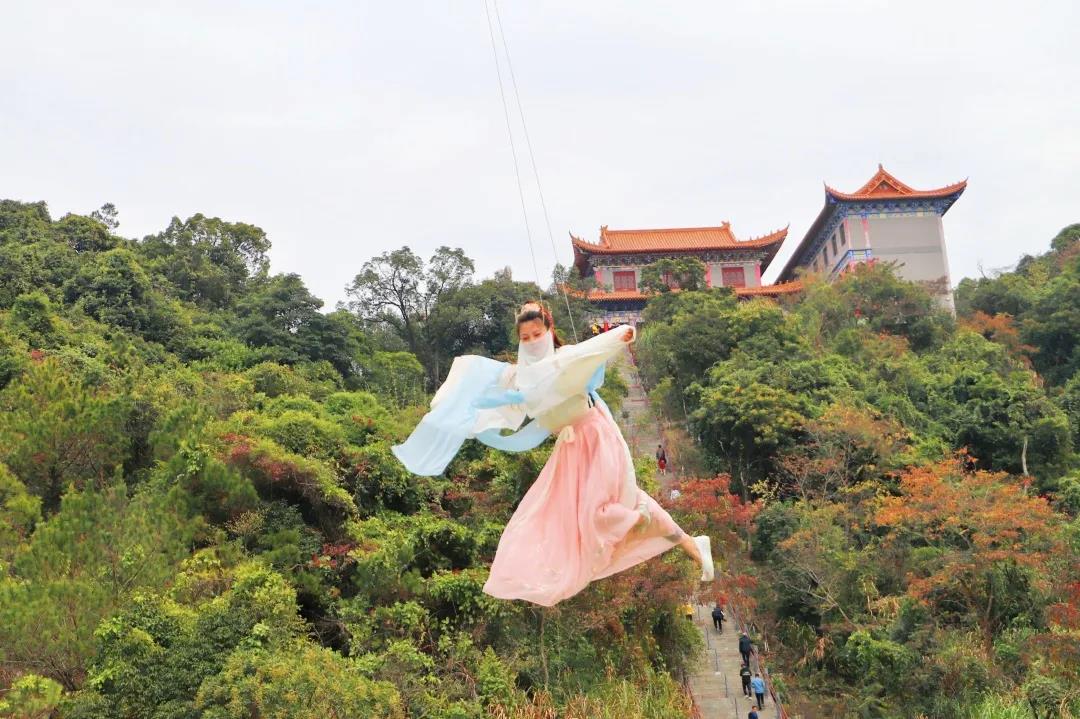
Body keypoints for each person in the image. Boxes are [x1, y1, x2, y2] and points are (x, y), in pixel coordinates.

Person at [392, 301, 715, 607]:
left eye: (537, 334)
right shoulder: (517, 376)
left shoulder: (565, 358)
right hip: (570, 450)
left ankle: (654, 526)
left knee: (602, 510)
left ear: (549, 331)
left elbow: (596, 350)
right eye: (525, 337)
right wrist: (470, 412)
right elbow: (496, 397)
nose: (532, 342)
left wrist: (621, 335)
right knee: (557, 517)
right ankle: (688, 542)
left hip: (596, 438)